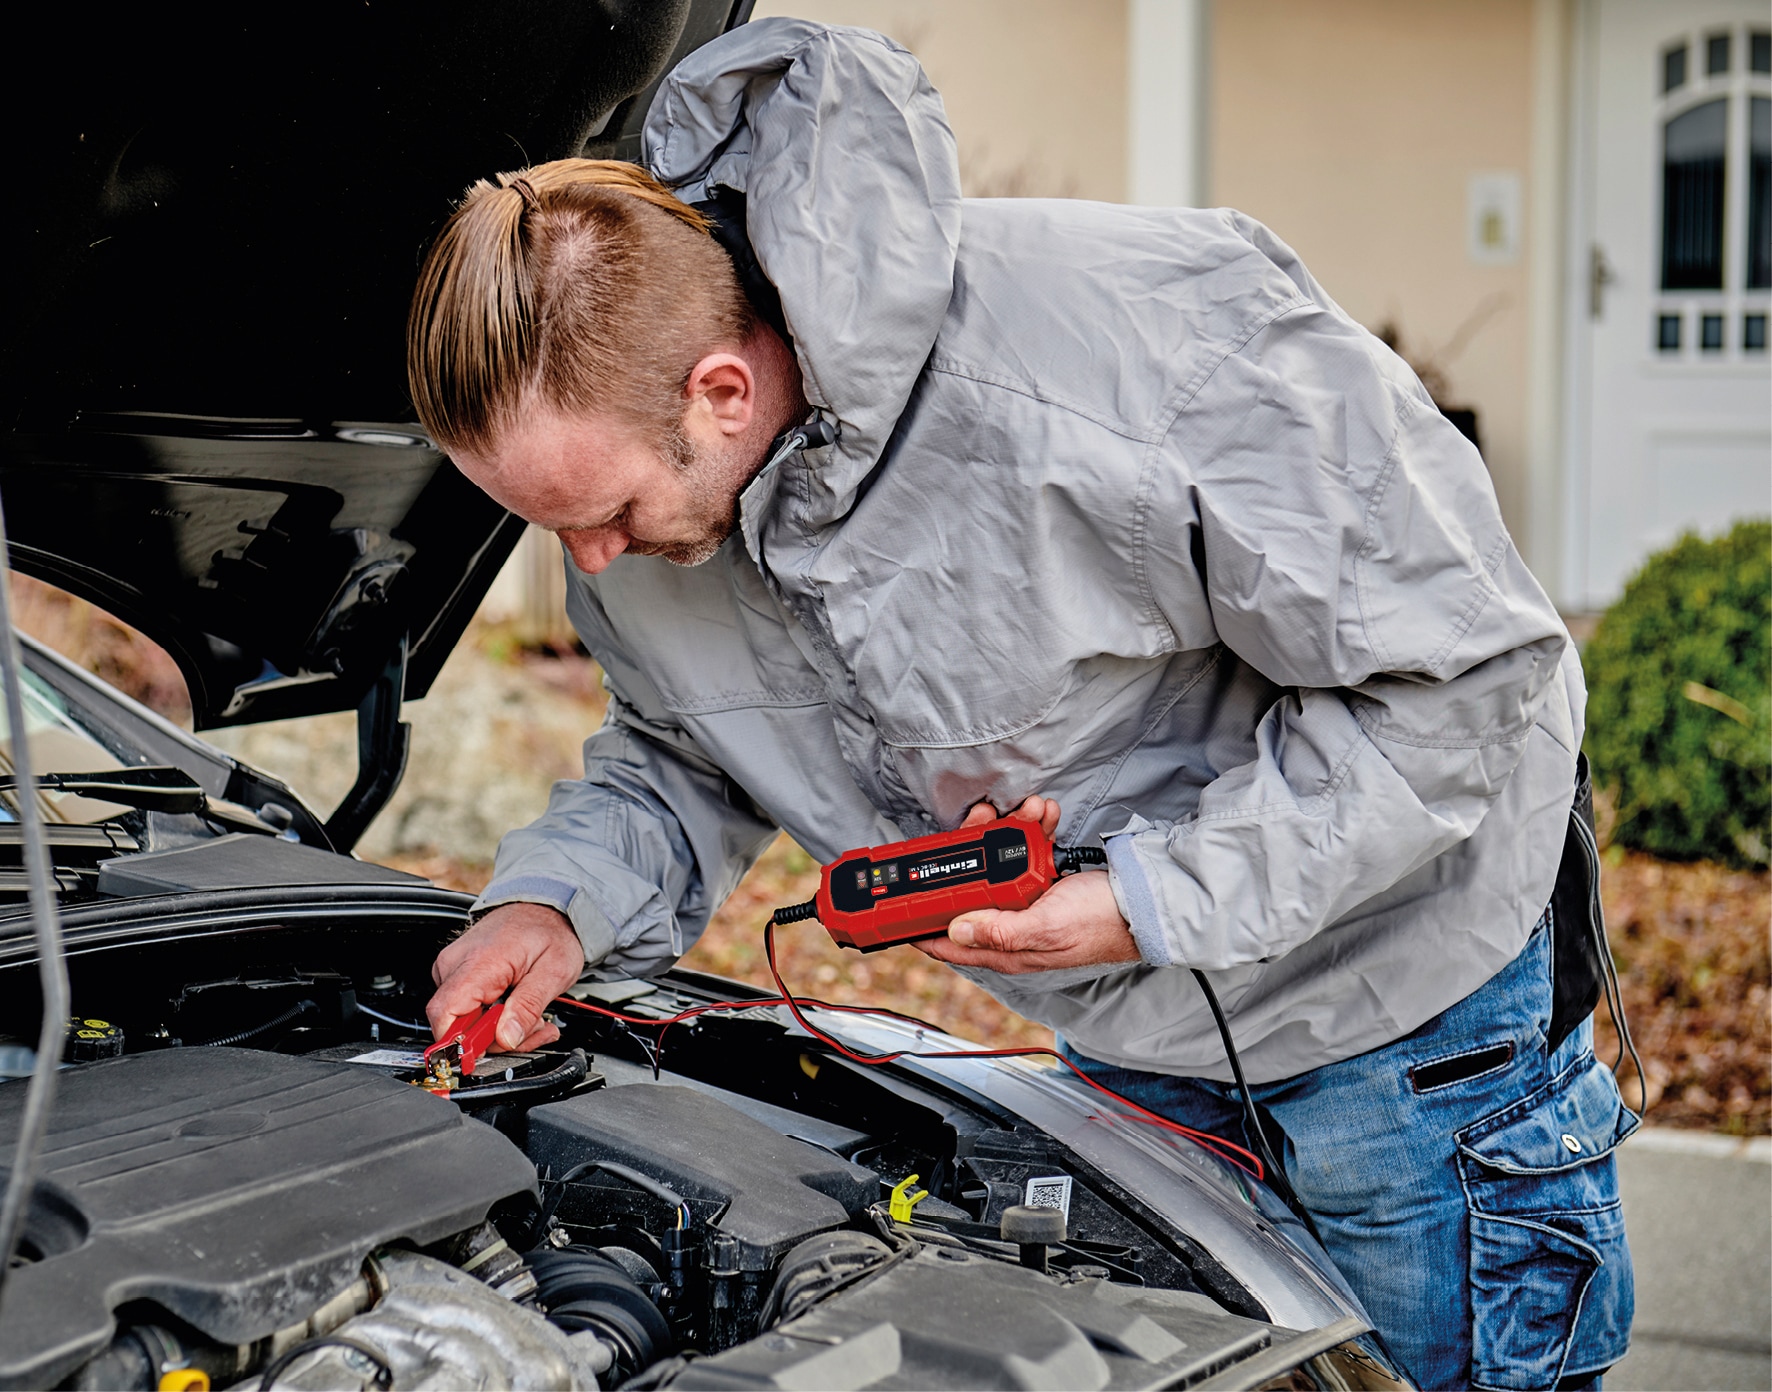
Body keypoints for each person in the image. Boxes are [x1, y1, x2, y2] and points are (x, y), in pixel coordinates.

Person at [410, 19, 1634, 1388]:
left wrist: (1143, 901)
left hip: (1402, 1034)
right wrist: (555, 901)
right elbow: (682, 751)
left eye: (608, 511)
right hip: (1128, 1048)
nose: (589, 563)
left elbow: (1465, 676)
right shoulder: (655, 533)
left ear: (722, 392)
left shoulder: (1143, 345)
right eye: (546, 527)